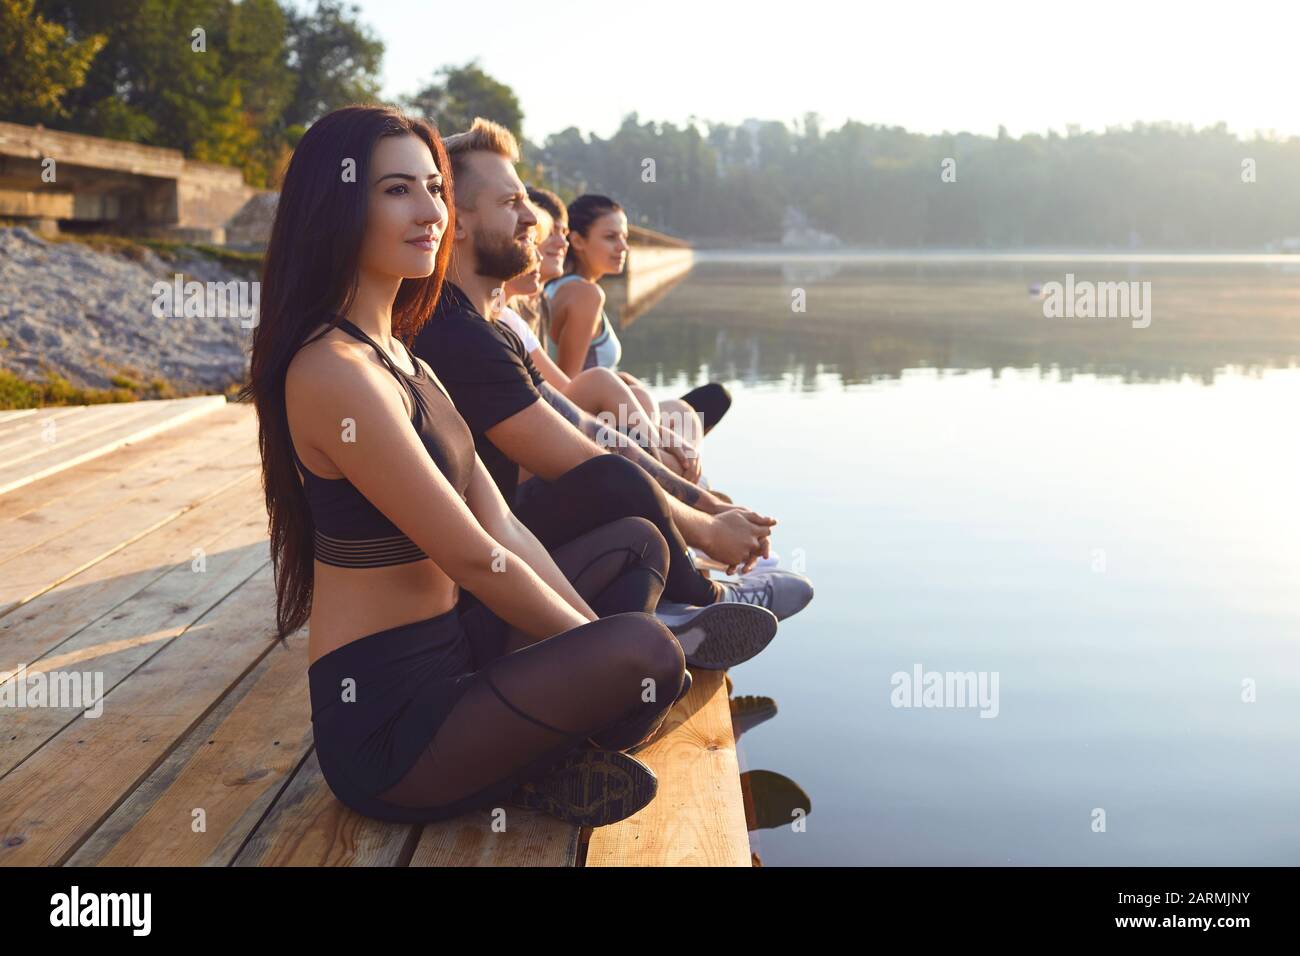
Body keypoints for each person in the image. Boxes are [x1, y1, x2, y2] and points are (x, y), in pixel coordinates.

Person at [242, 105, 688, 828]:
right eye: (397, 191)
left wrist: (591, 645)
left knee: (636, 545)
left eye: (435, 188)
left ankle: (548, 751)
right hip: (393, 731)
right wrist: (599, 650)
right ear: (337, 204)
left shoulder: (406, 357)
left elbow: (504, 523)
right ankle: (546, 754)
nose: (429, 212)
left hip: (461, 653)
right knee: (647, 655)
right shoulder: (332, 369)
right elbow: (475, 559)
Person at [411, 118, 814, 633]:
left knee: (631, 490)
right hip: (481, 580)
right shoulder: (455, 334)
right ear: (457, 222)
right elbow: (580, 455)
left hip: (505, 541)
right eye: (510, 203)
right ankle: (704, 596)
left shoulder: (486, 327)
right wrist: (708, 530)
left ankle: (673, 613)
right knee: (615, 479)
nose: (532, 218)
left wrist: (708, 507)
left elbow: (586, 429)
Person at [545, 192, 734, 445]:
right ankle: (684, 473)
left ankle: (682, 465)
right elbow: (569, 389)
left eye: (624, 237)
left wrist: (622, 382)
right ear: (577, 241)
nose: (623, 247)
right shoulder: (585, 295)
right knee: (697, 409)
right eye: (611, 238)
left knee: (709, 400)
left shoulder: (557, 287)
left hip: (607, 412)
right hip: (591, 425)